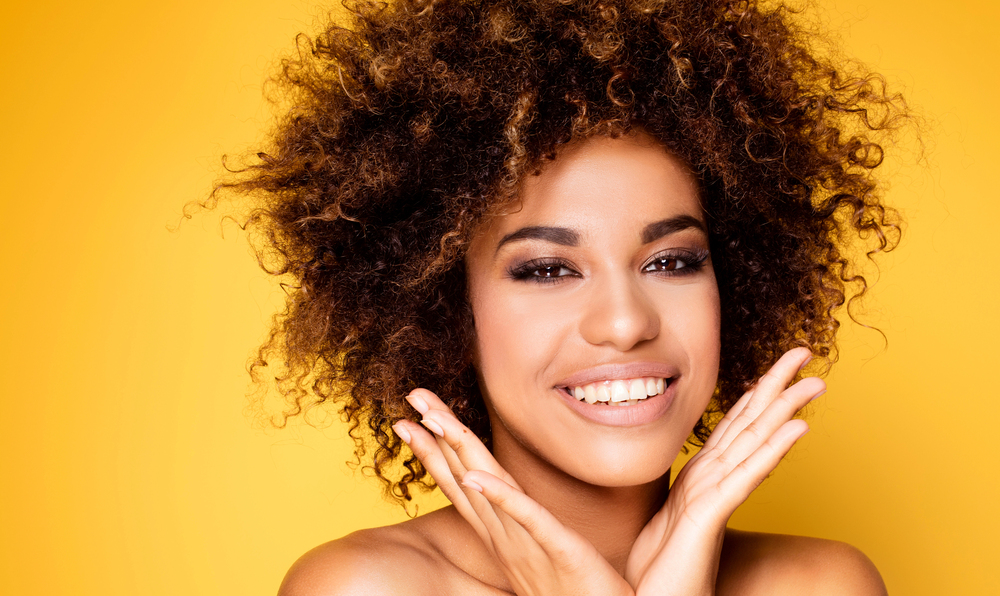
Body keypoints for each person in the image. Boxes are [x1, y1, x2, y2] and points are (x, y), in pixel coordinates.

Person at [216, 0, 905, 593]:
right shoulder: (367, 589)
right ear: (445, 309)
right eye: (547, 270)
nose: (626, 322)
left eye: (671, 260)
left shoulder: (821, 585)